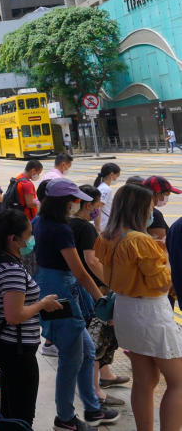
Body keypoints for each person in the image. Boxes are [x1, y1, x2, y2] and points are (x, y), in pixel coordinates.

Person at [33, 179, 119, 430]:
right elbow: (81, 272)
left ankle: (92, 409)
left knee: (87, 351)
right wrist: (101, 298)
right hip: (60, 297)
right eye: (75, 200)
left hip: (52, 289)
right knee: (71, 359)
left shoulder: (41, 221)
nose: (78, 204)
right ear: (65, 203)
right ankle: (65, 418)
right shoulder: (61, 229)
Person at [96, 184, 182, 431]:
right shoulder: (140, 241)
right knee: (178, 382)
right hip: (151, 312)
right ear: (139, 209)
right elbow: (161, 282)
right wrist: (164, 260)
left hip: (126, 309)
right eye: (150, 207)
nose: (152, 211)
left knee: (145, 379)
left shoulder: (106, 238)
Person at [0, 209, 63, 424]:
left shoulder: (0, 262)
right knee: (22, 412)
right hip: (17, 348)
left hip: (9, 346)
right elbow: (14, 315)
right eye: (28, 234)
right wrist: (42, 304)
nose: (31, 239)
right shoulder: (11, 270)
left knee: (11, 408)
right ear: (14, 239)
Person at [68, 185, 127, 408]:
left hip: (76, 288)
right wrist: (111, 285)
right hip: (91, 290)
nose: (99, 209)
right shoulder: (84, 228)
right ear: (88, 204)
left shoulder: (66, 224)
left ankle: (105, 375)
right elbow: (91, 261)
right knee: (97, 339)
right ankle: (96, 392)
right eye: (97, 204)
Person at [141, 175, 180, 241]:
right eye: (167, 194)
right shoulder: (154, 214)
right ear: (157, 193)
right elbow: (161, 243)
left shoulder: (136, 208)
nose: (167, 198)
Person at [92, 163, 121, 232]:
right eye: (117, 175)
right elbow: (98, 208)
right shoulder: (105, 189)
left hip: (104, 224)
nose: (117, 177)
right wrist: (98, 227)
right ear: (111, 174)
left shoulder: (102, 187)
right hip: (104, 225)